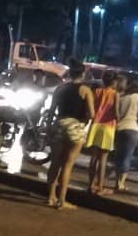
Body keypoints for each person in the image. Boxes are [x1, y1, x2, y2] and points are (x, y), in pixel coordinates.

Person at [46, 60, 94, 209]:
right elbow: (92, 114)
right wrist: (84, 122)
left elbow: (52, 110)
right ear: (83, 73)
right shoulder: (86, 90)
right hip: (75, 127)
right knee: (68, 165)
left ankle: (50, 197)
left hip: (60, 125)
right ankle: (61, 201)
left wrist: (49, 127)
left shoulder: (60, 88)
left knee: (55, 163)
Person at [86, 73, 121, 195]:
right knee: (103, 159)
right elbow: (116, 112)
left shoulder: (97, 92)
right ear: (114, 82)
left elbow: (92, 107)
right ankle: (99, 186)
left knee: (94, 157)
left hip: (95, 125)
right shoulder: (115, 94)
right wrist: (119, 121)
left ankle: (90, 185)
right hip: (108, 127)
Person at [114, 79, 138, 192]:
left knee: (118, 156)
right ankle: (121, 183)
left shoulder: (122, 97)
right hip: (132, 129)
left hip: (119, 128)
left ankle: (117, 182)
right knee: (127, 156)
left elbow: (117, 114)